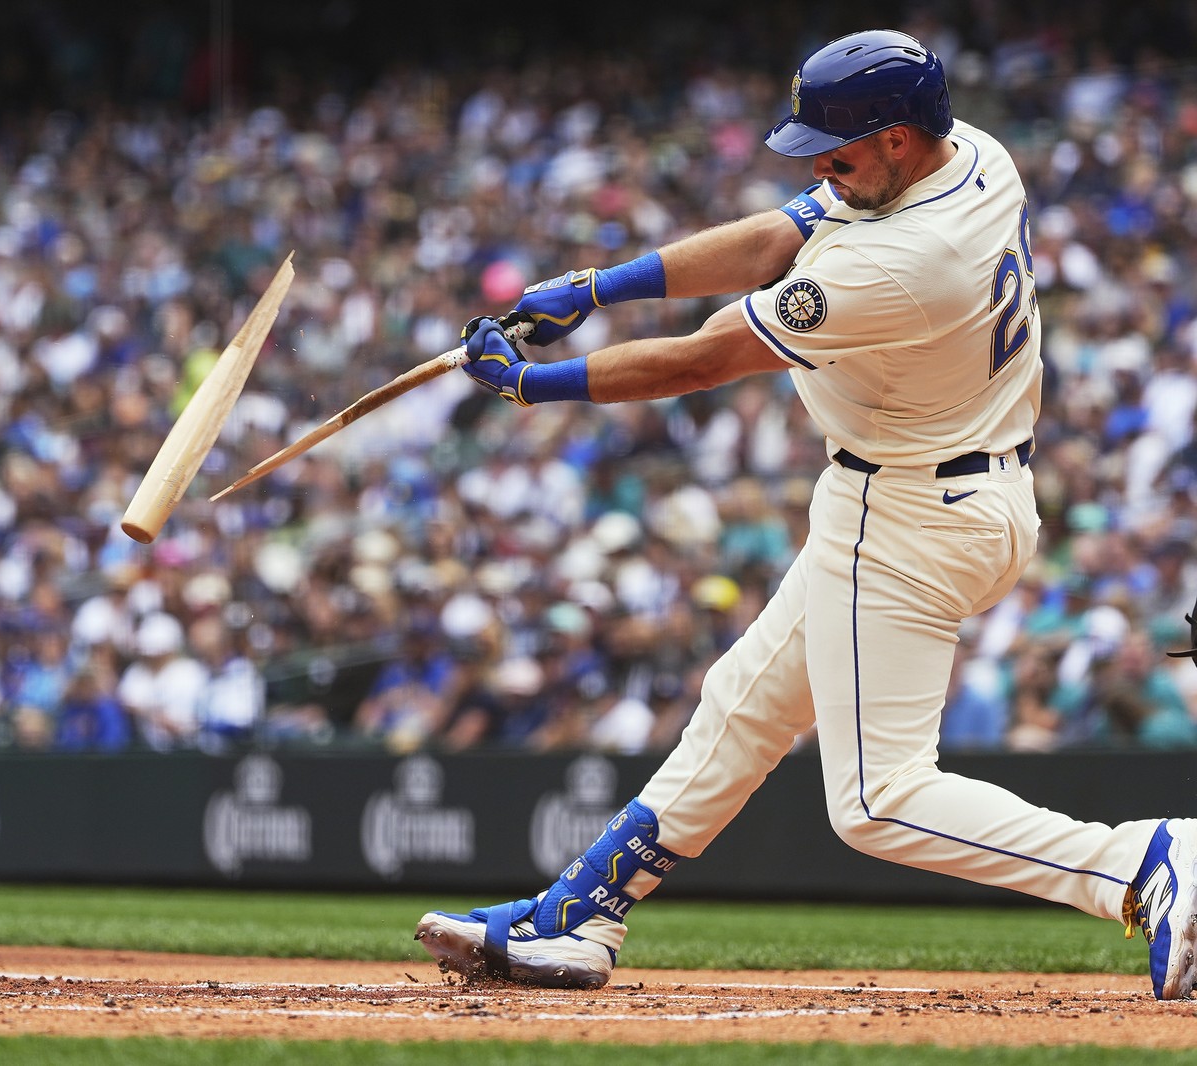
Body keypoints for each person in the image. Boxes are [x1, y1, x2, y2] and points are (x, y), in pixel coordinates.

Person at [415, 29, 1197, 1002]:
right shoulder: (971, 155)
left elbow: (703, 358)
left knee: (877, 800)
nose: (819, 164)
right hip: (946, 491)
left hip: (908, 511)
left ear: (900, 139)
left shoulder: (902, 263)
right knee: (742, 703)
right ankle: (582, 912)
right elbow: (771, 235)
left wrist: (534, 383)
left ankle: (1145, 860)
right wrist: (595, 287)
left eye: (837, 148)